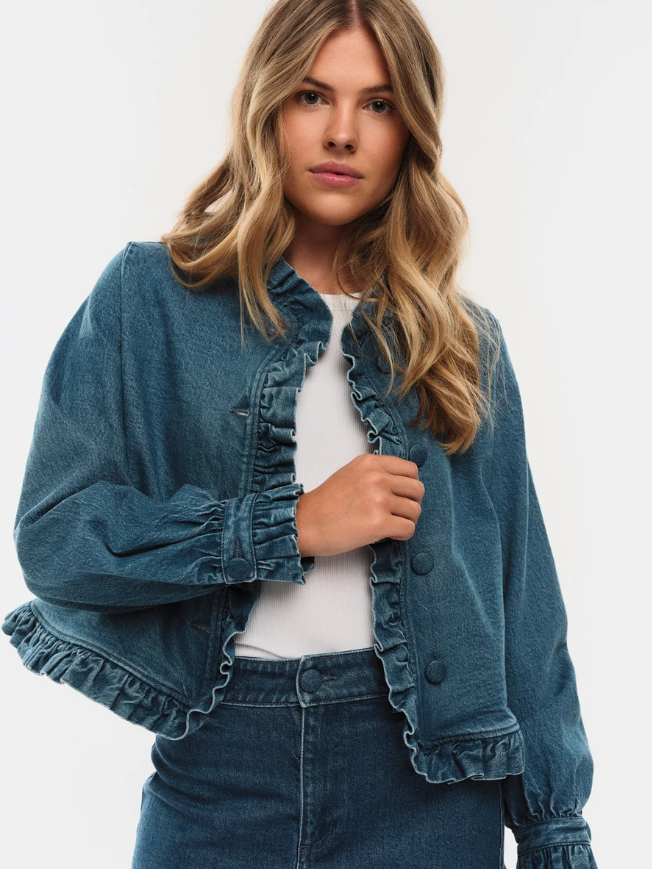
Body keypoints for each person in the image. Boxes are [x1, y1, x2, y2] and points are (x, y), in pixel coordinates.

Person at [3, 1, 597, 867]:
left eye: (379, 103)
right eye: (313, 95)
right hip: (218, 778)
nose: (343, 132)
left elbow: (524, 606)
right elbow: (56, 539)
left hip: (429, 794)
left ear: (412, 130)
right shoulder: (148, 297)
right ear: (267, 105)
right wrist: (289, 525)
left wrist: (554, 829)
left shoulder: (461, 341)